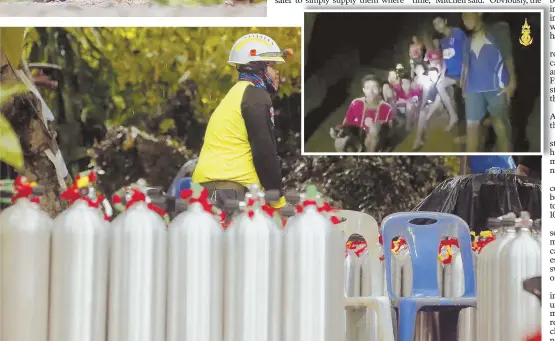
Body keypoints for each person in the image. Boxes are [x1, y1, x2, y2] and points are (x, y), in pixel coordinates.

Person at [192, 34, 293, 210]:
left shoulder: (235, 94)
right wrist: (278, 200)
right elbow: (264, 152)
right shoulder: (256, 97)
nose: (277, 72)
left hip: (205, 189)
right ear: (258, 67)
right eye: (272, 65)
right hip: (231, 189)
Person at [461, 12, 516, 152]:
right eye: (462, 16)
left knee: (500, 125)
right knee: (472, 128)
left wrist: (512, 82)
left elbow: (507, 57)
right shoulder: (467, 41)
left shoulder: (498, 30)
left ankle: (507, 164)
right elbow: (466, 66)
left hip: (496, 87)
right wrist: (464, 88)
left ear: (479, 12)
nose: (464, 19)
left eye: (467, 14)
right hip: (473, 89)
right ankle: (468, 170)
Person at [341, 74, 394, 152]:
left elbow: (388, 127)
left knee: (373, 130)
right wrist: (340, 130)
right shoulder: (356, 103)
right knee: (339, 142)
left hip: (376, 138)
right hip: (359, 135)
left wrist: (376, 125)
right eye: (368, 88)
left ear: (379, 90)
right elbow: (347, 120)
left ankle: (370, 153)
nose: (371, 91)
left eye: (374, 87)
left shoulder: (386, 107)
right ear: (364, 90)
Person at [433, 14, 467, 132]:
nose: (437, 26)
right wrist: (442, 74)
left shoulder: (457, 32)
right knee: (439, 85)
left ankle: (473, 125)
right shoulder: (442, 41)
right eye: (435, 24)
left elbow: (466, 54)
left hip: (464, 73)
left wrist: (463, 78)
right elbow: (446, 60)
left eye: (439, 22)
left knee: (466, 100)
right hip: (451, 75)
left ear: (445, 21)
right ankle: (453, 116)